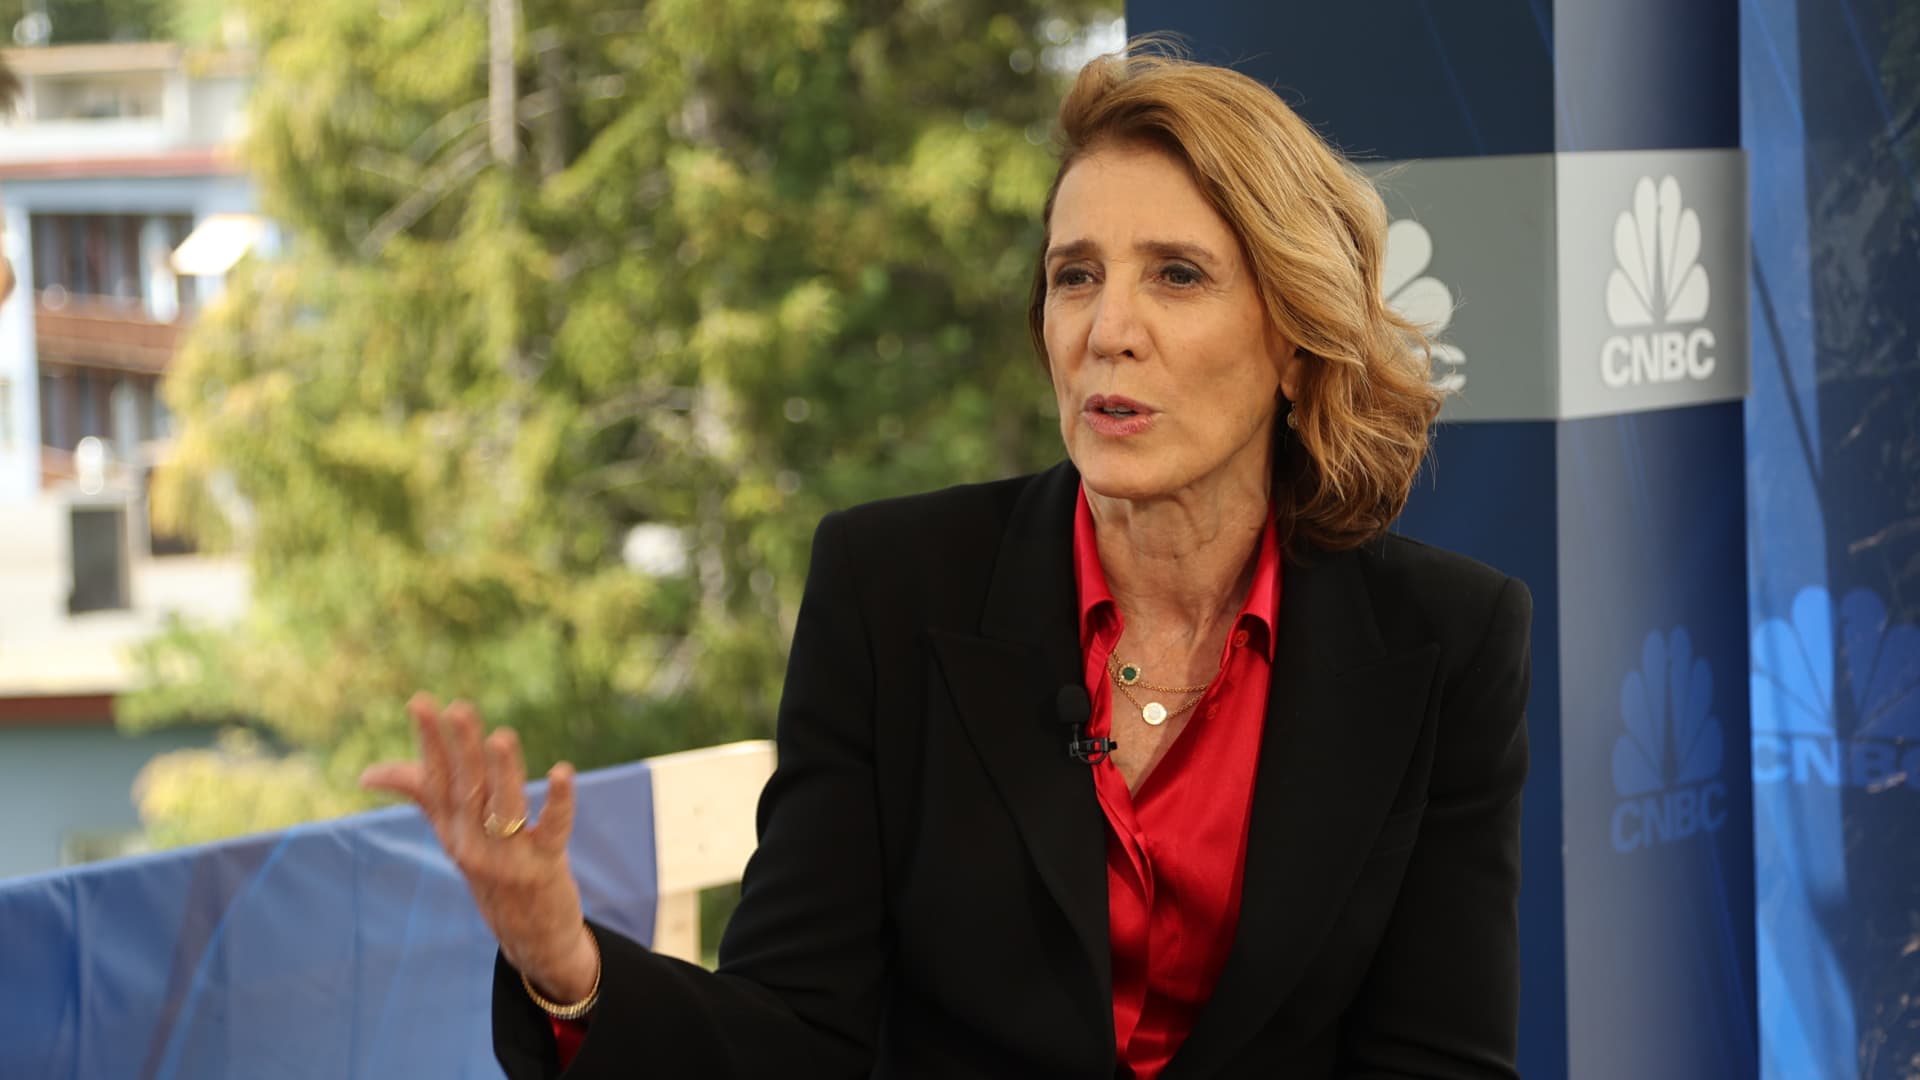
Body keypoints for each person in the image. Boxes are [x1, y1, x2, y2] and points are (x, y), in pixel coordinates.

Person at [364, 43, 1531, 1079]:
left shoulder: (1447, 641)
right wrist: (565, 961)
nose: (1107, 330)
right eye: (1076, 275)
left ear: (1295, 340)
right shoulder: (891, 591)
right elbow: (795, 1033)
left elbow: (1434, 1058)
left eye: (1177, 275)